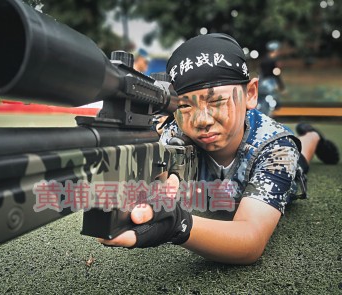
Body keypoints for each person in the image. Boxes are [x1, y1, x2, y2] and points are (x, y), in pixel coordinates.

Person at [99, 33, 340, 264]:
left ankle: (311, 137)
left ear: (251, 94)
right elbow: (159, 170)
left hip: (276, 156)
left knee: (299, 164)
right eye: (184, 106)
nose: (201, 120)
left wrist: (176, 225)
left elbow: (250, 240)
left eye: (216, 101)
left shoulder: (276, 148)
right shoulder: (175, 133)